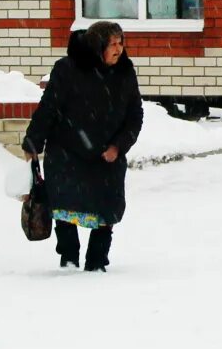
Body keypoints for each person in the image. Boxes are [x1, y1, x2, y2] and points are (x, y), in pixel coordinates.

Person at [22, 21, 144, 272]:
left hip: (106, 158)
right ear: (97, 45)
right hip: (67, 153)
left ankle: (97, 263)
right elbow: (49, 109)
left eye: (121, 43)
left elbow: (135, 117)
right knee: (65, 208)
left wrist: (118, 147)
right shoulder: (68, 69)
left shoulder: (125, 73)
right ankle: (68, 261)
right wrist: (34, 141)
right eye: (112, 44)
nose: (119, 49)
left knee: (106, 210)